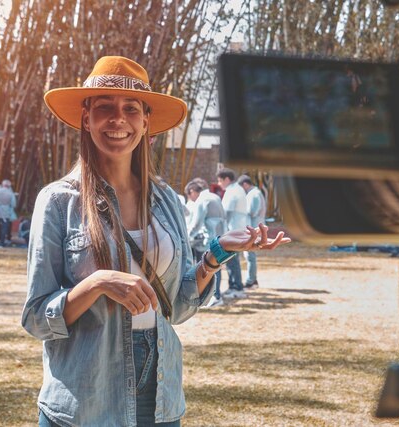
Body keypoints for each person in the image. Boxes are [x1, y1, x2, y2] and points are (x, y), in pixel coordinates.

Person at [21, 56, 289, 427]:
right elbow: (36, 317)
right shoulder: (58, 201)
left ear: (146, 122)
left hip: (160, 390)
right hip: (87, 394)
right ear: (86, 119)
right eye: (104, 107)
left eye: (131, 108)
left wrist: (217, 253)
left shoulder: (165, 200)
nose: (118, 118)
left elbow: (176, 307)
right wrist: (98, 283)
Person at [184, 178, 227, 307]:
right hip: (219, 236)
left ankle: (214, 296)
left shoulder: (202, 200)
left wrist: (188, 237)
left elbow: (197, 223)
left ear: (192, 191)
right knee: (216, 266)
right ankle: (217, 295)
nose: (192, 200)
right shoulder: (215, 196)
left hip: (208, 238)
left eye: (190, 196)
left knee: (208, 268)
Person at [217, 168, 249, 299]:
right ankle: (234, 286)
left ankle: (236, 287)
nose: (219, 184)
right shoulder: (238, 189)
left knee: (232, 260)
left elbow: (227, 213)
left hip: (233, 230)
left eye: (220, 180)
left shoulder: (232, 191)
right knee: (233, 260)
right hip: (238, 229)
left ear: (226, 179)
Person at [238, 175, 267, 289]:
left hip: (255, 228)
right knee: (250, 255)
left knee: (250, 255)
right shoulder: (255, 193)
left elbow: (252, 212)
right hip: (255, 228)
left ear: (245, 184)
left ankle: (251, 281)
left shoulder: (254, 194)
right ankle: (252, 279)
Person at [0, 179, 17, 247]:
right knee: (4, 229)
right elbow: (13, 204)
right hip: (5, 213)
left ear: (2, 185)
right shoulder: (10, 193)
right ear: (9, 186)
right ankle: (2, 242)